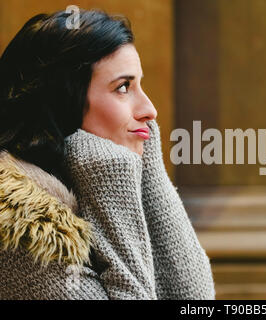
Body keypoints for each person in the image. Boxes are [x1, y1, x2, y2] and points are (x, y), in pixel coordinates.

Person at [0, 9, 215, 299]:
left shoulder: (98, 174)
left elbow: (195, 299)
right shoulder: (25, 228)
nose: (150, 110)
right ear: (64, 102)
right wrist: (109, 173)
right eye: (123, 87)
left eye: (140, 84)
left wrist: (147, 164)